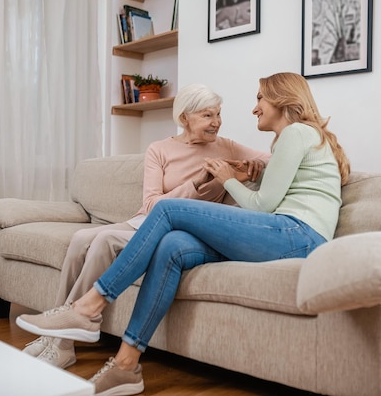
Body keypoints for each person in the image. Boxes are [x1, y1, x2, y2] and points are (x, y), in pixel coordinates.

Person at [17, 72, 351, 396]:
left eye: (260, 98)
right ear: (186, 118)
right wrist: (254, 171)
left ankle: (88, 307)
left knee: (167, 210)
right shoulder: (291, 139)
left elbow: (263, 206)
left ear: (281, 100)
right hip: (283, 233)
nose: (254, 108)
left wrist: (227, 176)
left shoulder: (297, 133)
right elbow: (274, 187)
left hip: (296, 233)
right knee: (172, 245)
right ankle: (126, 365)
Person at [18, 83, 270, 368]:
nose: (216, 123)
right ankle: (56, 328)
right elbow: (152, 206)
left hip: (177, 229)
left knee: (103, 241)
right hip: (145, 221)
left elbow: (274, 160)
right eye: (207, 116)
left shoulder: (227, 147)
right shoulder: (160, 149)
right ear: (185, 118)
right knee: (79, 239)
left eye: (218, 114)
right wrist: (195, 183)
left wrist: (256, 169)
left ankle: (62, 344)